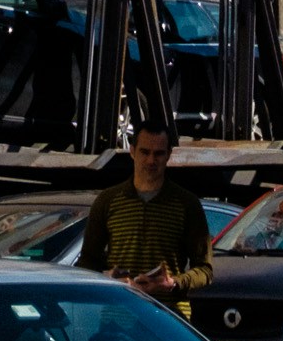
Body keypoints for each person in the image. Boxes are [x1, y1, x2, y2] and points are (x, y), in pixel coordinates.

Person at [75, 121, 210, 294]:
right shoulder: (108, 200)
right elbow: (87, 262)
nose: (151, 160)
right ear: (132, 151)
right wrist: (105, 276)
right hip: (118, 313)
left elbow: (205, 270)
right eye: (144, 152)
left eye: (159, 154)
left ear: (169, 154)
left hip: (167, 314)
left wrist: (174, 283)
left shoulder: (187, 204)